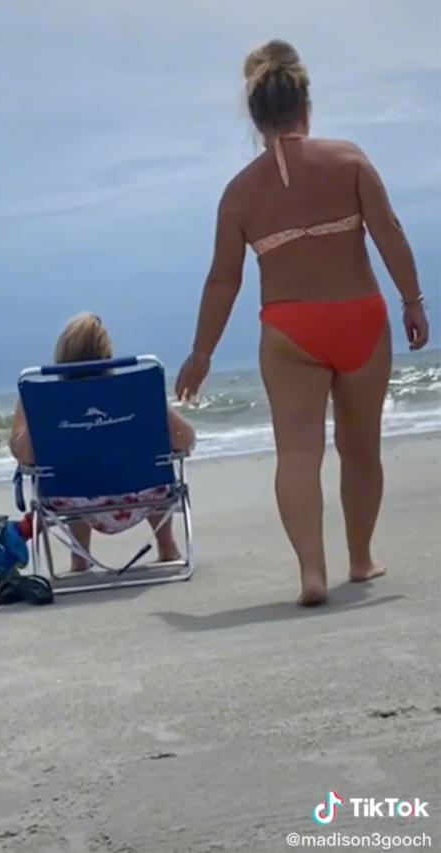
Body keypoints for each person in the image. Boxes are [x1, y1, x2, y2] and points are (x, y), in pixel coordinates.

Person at [174, 40, 429, 606]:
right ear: (306, 108)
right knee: (362, 449)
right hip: (360, 316)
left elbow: (224, 281)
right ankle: (360, 560)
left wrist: (201, 353)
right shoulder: (351, 160)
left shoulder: (239, 193)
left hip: (290, 331)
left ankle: (312, 572)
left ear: (256, 116)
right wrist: (413, 299)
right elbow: (389, 232)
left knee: (297, 455)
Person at [9, 312, 196, 573]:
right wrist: (153, 407)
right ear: (108, 353)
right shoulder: (136, 393)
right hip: (142, 491)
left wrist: (30, 411)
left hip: (70, 497)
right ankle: (167, 547)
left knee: (75, 470)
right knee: (151, 462)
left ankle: (79, 560)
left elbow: (25, 458)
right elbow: (185, 440)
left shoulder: (43, 399)